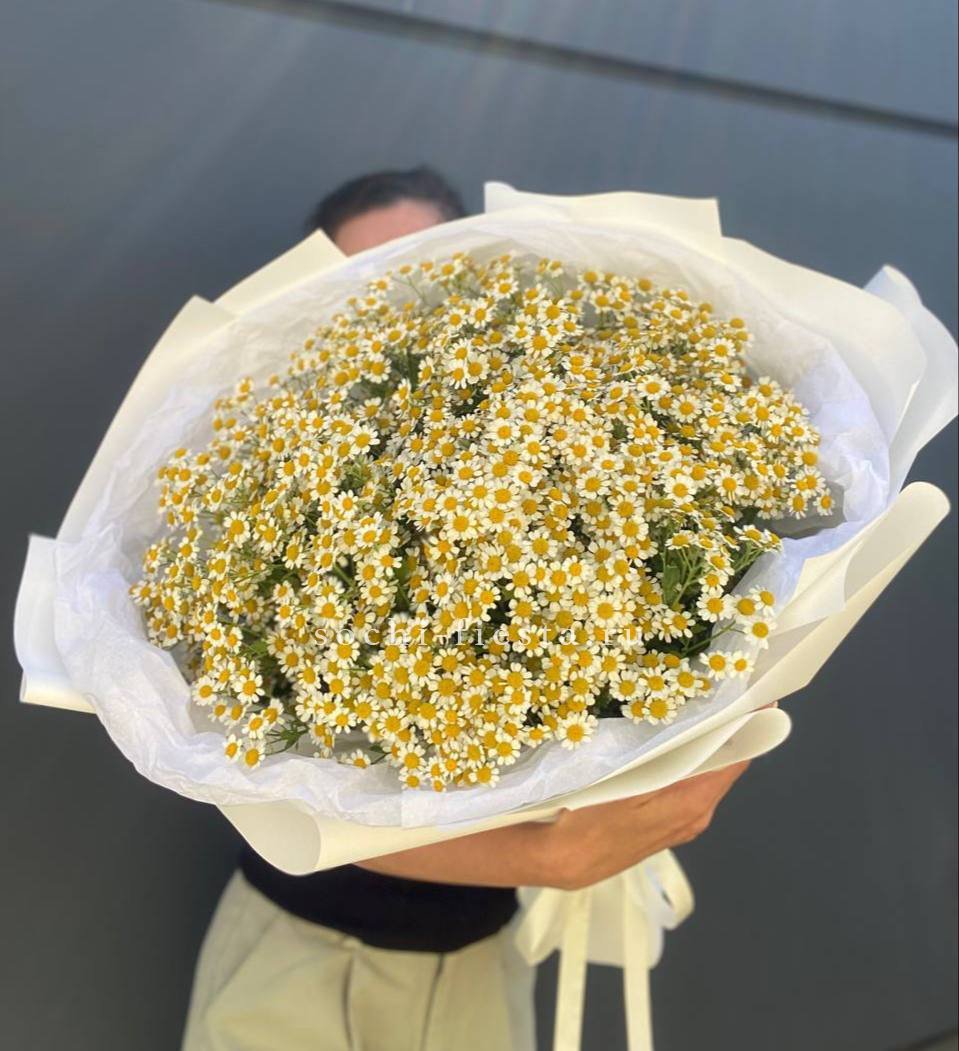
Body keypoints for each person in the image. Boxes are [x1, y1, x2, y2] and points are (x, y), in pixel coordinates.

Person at [181, 166, 752, 1051]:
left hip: (476, 967)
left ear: (475, 273)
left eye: (422, 265)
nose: (395, 302)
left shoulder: (559, 452)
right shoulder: (276, 495)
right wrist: (544, 857)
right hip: (290, 956)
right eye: (361, 281)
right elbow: (261, 794)